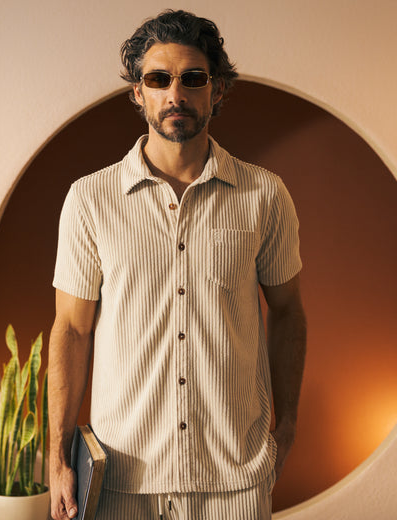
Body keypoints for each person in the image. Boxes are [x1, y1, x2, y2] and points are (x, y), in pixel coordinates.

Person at [49, 9, 307, 520]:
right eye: (158, 79)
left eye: (193, 79)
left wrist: (288, 426)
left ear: (218, 89)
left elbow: (288, 313)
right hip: (122, 481)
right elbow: (72, 330)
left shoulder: (265, 195)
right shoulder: (89, 199)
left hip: (234, 481)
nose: (176, 95)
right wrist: (56, 456)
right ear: (137, 93)